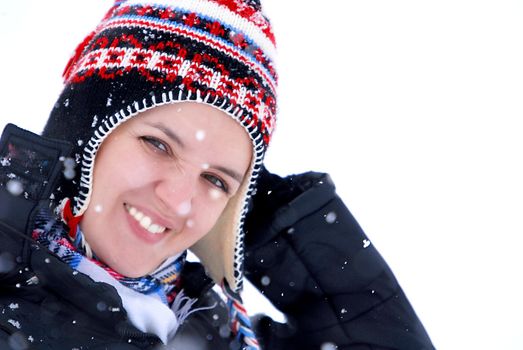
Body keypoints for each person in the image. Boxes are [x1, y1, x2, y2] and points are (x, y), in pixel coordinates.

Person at [0, 0, 434, 349]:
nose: (179, 200)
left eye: (217, 181)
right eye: (158, 144)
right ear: (84, 130)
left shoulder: (209, 329)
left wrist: (278, 221)